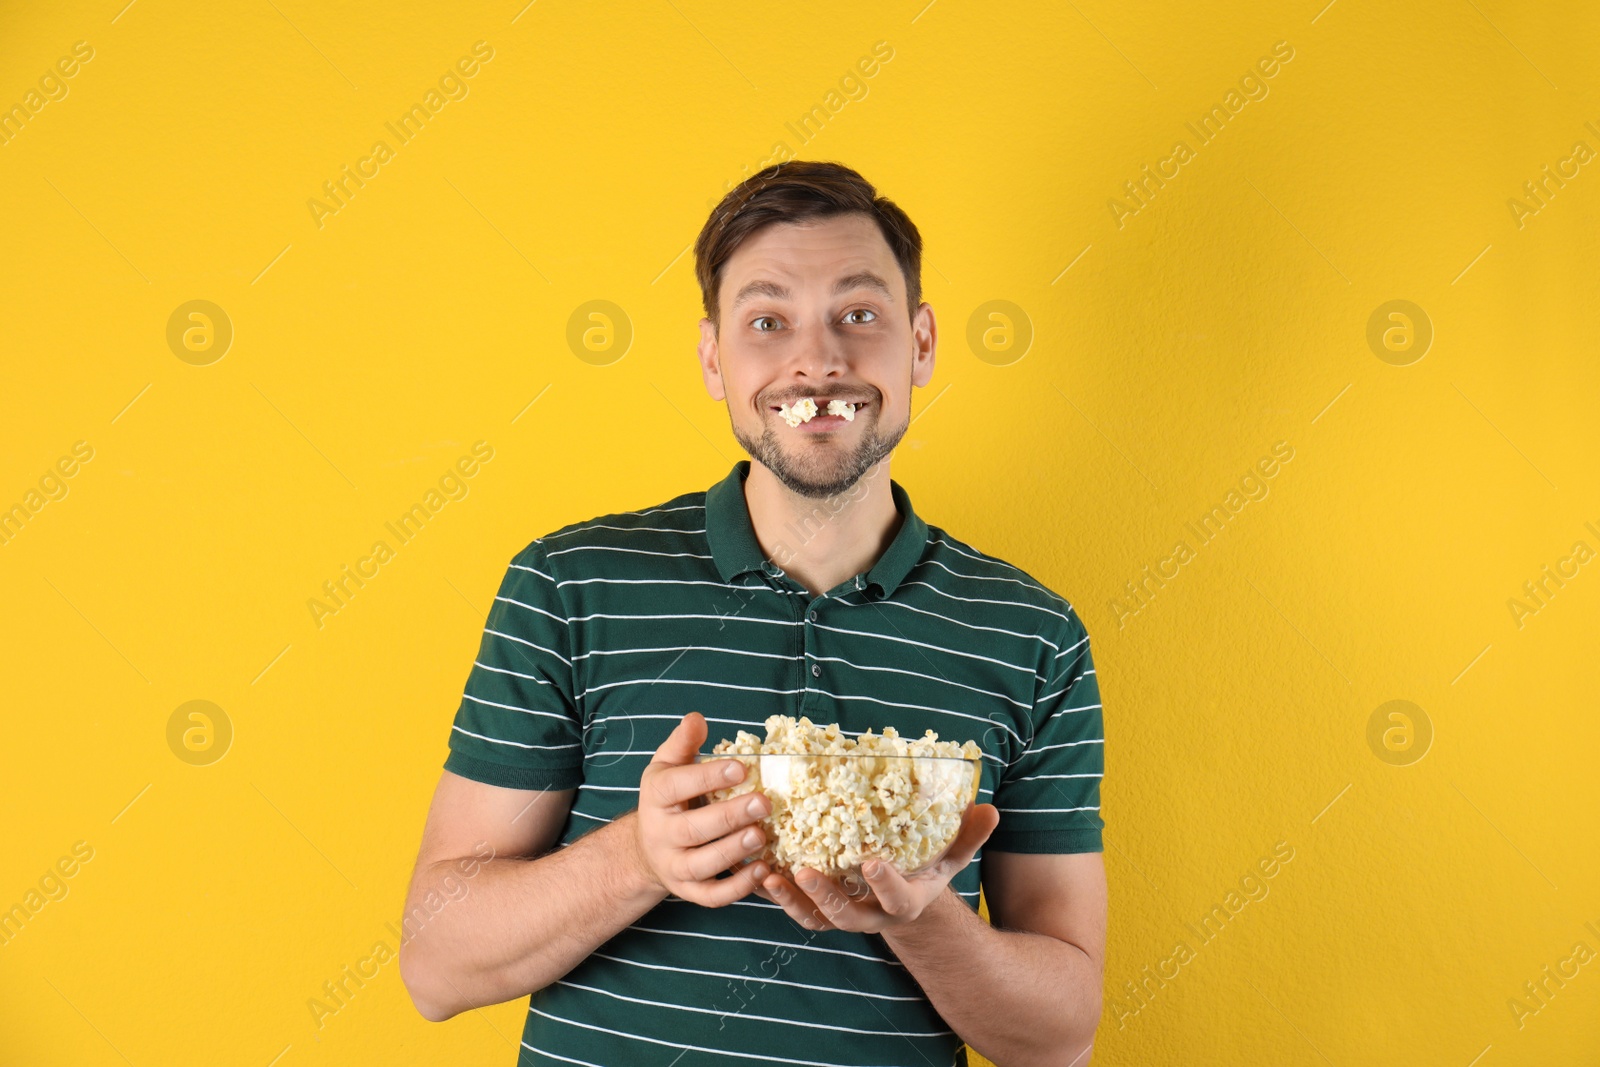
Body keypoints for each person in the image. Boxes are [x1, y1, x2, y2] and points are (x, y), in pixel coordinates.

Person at [399, 160, 1107, 1067]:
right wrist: (642, 858)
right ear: (712, 358)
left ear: (921, 342)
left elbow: (1060, 1037)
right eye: (768, 321)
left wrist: (923, 921)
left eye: (860, 313)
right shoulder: (569, 585)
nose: (817, 359)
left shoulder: (1034, 635)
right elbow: (433, 965)